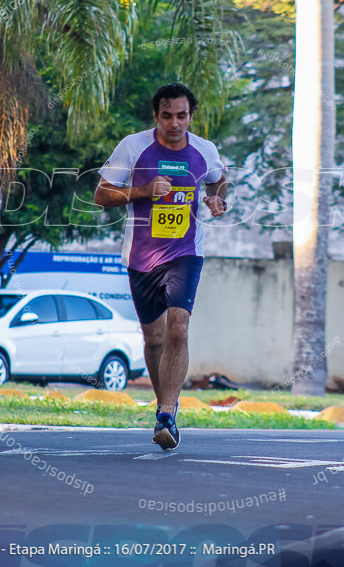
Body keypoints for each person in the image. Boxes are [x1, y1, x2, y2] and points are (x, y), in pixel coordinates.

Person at [94, 83, 227, 450]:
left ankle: (168, 413)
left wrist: (216, 201)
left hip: (185, 252)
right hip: (141, 257)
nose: (174, 123)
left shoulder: (205, 150)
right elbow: (102, 194)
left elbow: (219, 182)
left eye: (181, 116)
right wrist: (142, 190)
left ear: (190, 117)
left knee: (178, 329)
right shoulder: (133, 147)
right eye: (166, 116)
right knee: (153, 338)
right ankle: (162, 409)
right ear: (156, 116)